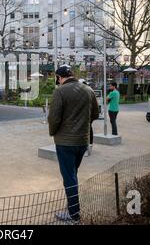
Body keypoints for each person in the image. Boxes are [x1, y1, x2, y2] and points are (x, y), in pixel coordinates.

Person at [48, 65, 99, 222]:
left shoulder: (60, 91)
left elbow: (54, 118)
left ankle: (73, 214)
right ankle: (72, 206)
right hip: (82, 140)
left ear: (59, 77)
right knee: (73, 174)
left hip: (65, 142)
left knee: (69, 177)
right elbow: (95, 114)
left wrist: (53, 132)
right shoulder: (88, 90)